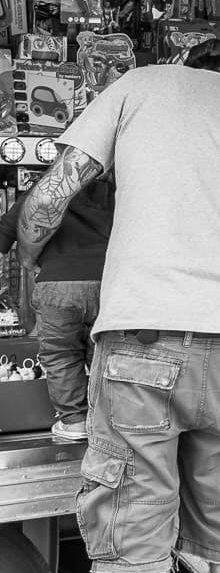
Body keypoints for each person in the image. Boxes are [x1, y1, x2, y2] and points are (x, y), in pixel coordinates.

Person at [17, 39, 220, 573]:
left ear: (186, 68)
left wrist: (29, 259)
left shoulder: (141, 85)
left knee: (132, 544)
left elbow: (49, 198)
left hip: (141, 345)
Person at [0, 177, 114, 441]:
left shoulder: (47, 189)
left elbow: (4, 234)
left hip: (57, 282)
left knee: (61, 354)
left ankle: (74, 422)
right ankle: (108, 420)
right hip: (110, 282)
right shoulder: (117, 191)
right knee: (105, 352)